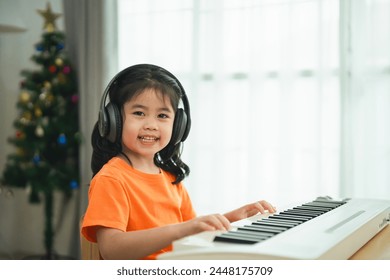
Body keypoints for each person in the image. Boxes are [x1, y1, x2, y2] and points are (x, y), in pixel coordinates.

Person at [81, 64, 276, 260]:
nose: (150, 125)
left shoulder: (170, 178)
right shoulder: (111, 179)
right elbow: (112, 250)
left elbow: (191, 232)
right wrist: (181, 229)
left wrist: (231, 218)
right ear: (113, 119)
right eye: (139, 113)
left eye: (162, 115)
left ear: (178, 126)